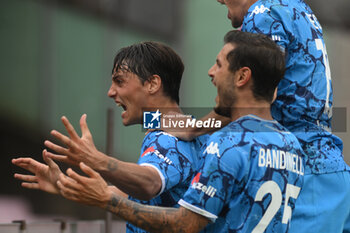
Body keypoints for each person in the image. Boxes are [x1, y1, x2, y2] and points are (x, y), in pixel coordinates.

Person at [56, 30, 306, 233]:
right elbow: (175, 125)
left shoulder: (224, 144)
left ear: (242, 77)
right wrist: (73, 184)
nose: (211, 72)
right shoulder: (292, 145)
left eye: (219, 65)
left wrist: (103, 183)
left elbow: (183, 220)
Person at [12, 41, 207, 233]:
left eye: (120, 81)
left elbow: (150, 184)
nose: (110, 92)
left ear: (153, 84)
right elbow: (149, 195)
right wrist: (66, 184)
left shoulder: (166, 139)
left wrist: (95, 159)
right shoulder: (193, 132)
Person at [197, 1, 350, 232]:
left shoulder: (263, 13)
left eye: (220, 65)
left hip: (302, 173)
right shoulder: (296, 6)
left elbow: (251, 97)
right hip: (328, 170)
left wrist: (188, 126)